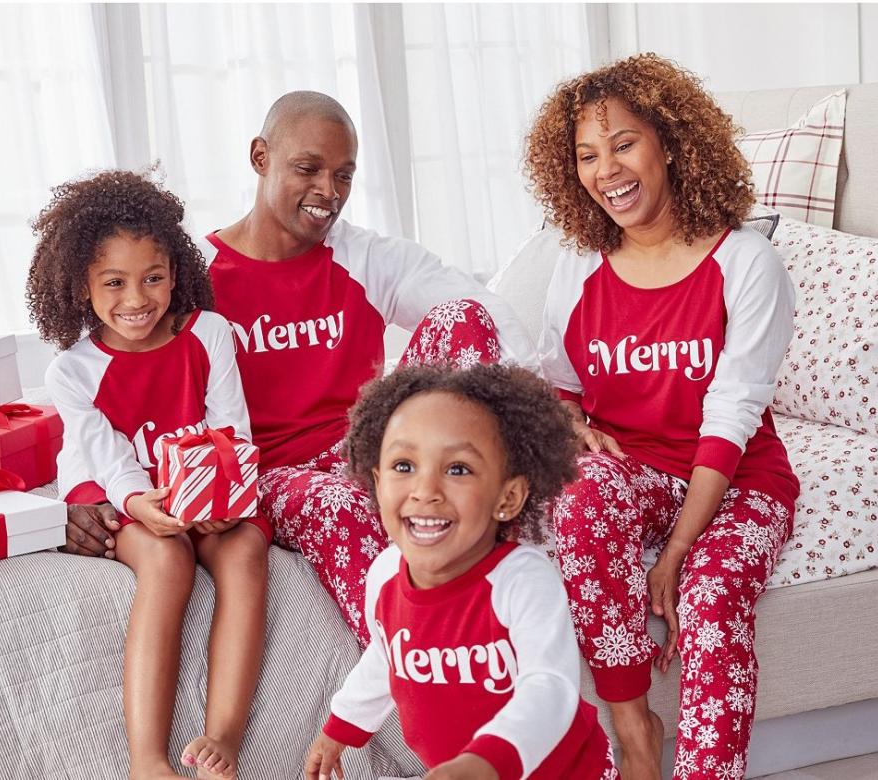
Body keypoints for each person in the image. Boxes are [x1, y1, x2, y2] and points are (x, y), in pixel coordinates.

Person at [61, 91, 537, 647]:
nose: (328, 192)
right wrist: (82, 490)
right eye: (308, 168)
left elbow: (483, 314)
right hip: (275, 475)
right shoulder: (189, 275)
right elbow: (96, 379)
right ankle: (417, 655)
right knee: (340, 504)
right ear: (260, 157)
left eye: (344, 175)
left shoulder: (366, 258)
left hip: (372, 450)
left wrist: (553, 403)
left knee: (463, 318)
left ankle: (507, 575)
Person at [524, 54, 800, 780]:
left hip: (737, 481)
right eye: (586, 154)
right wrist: (570, 423)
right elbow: (560, 384)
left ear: (671, 142)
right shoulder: (579, 265)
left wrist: (676, 551)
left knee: (709, 600)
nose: (605, 169)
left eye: (623, 144)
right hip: (636, 469)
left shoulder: (745, 263)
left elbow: (733, 416)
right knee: (579, 503)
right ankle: (633, 725)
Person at [27, 170, 270, 780]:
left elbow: (231, 431)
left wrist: (222, 497)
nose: (136, 299)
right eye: (114, 282)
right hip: (119, 490)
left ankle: (223, 739)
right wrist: (141, 504)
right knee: (167, 559)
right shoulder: (73, 371)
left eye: (153, 278)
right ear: (81, 287)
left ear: (176, 273)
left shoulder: (209, 336)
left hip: (203, 484)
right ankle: (148, 762)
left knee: (244, 548)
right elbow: (108, 459)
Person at [304, 363, 618, 780]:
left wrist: (485, 761)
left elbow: (550, 687)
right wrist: (339, 728)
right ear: (378, 483)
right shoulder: (384, 576)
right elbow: (386, 657)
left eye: (457, 469)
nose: (425, 491)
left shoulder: (522, 580)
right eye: (403, 466)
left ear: (507, 496)